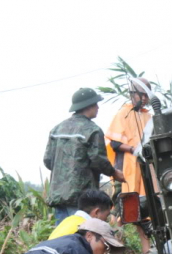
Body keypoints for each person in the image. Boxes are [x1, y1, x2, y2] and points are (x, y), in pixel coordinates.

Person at [44, 87, 126, 225]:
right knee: (80, 236)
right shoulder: (92, 130)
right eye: (96, 104)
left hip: (58, 194)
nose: (98, 107)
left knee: (63, 236)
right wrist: (114, 173)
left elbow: (48, 160)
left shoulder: (57, 129)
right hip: (82, 197)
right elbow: (98, 160)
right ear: (89, 105)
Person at [105, 77, 153, 254]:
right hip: (127, 171)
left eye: (147, 95)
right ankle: (110, 250)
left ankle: (147, 252)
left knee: (146, 212)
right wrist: (135, 150)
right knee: (123, 210)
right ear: (133, 95)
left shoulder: (148, 115)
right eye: (142, 95)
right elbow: (115, 144)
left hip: (146, 170)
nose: (145, 99)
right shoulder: (123, 114)